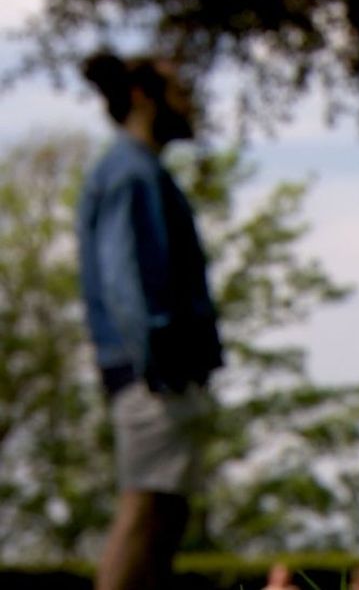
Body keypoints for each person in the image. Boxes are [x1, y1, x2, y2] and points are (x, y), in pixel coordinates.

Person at [78, 51, 223, 590]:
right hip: (152, 372)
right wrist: (158, 362)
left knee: (165, 514)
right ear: (143, 96)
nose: (189, 102)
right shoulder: (130, 173)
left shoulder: (139, 171)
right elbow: (124, 281)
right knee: (145, 509)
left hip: (157, 369)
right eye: (179, 88)